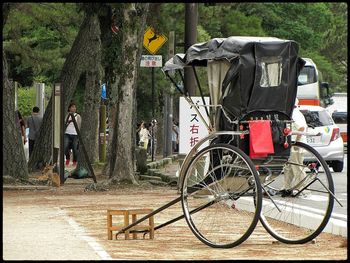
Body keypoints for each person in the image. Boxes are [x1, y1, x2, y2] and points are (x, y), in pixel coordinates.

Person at [282, 98, 308, 197]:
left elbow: (301, 128)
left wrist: (297, 142)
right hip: (291, 144)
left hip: (296, 145)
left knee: (297, 167)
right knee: (288, 167)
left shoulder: (295, 113)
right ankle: (286, 187)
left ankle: (301, 188)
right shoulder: (292, 113)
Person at [64, 102, 81, 166]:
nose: (74, 108)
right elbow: (64, 123)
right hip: (67, 133)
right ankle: (67, 158)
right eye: (72, 107)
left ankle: (75, 161)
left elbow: (79, 125)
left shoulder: (78, 116)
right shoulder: (66, 115)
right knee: (65, 147)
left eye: (75, 107)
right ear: (69, 108)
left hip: (75, 134)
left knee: (75, 148)